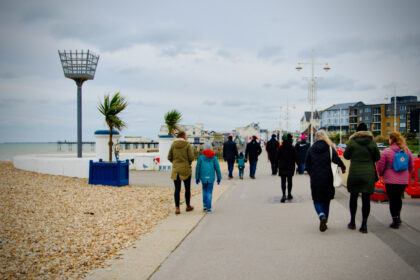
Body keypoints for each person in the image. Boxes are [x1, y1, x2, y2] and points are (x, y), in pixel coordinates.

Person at [306, 130, 346, 232]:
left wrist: (312, 174)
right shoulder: (330, 149)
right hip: (328, 178)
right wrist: (343, 166)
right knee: (326, 200)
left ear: (315, 138)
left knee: (316, 200)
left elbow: (307, 166)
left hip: (315, 179)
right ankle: (325, 221)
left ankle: (321, 215)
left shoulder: (310, 150)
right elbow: (337, 160)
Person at [344, 123, 380, 233]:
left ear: (357, 131)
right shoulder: (372, 142)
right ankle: (364, 224)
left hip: (355, 172)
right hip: (368, 174)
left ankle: (352, 222)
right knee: (366, 199)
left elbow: (346, 156)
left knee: (353, 197)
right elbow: (377, 157)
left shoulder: (352, 142)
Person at [376, 132, 413, 229]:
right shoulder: (406, 151)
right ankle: (398, 216)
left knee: (392, 200)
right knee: (398, 198)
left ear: (391, 140)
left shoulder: (386, 151)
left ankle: (395, 220)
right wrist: (406, 173)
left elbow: (380, 165)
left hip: (390, 180)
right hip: (403, 180)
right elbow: (411, 166)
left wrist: (381, 174)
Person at [168, 130, 195, 215]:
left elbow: (169, 157)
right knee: (187, 188)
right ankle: (187, 206)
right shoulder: (187, 144)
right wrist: (188, 163)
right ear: (184, 136)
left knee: (177, 189)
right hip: (185, 169)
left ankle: (177, 208)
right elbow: (191, 157)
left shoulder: (173, 145)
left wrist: (175, 163)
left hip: (176, 170)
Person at [196, 142, 222, 213]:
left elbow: (197, 167)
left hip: (203, 177)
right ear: (211, 148)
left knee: (204, 190)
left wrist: (197, 177)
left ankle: (204, 205)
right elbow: (217, 168)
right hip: (211, 177)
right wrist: (219, 178)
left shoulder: (201, 157)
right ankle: (209, 208)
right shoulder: (214, 157)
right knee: (209, 192)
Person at [276, 134, 298, 202]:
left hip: (282, 166)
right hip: (290, 166)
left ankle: (283, 195)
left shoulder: (281, 148)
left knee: (283, 181)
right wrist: (299, 166)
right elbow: (296, 158)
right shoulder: (292, 148)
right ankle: (289, 194)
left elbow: (277, 158)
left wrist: (276, 167)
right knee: (290, 181)